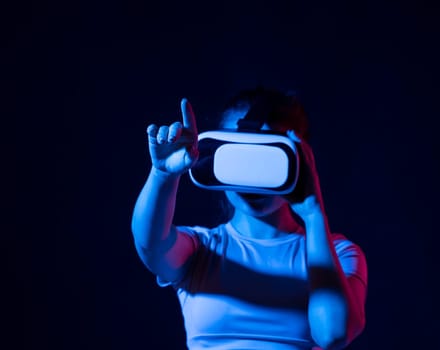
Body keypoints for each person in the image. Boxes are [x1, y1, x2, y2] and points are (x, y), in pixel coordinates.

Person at [131, 87, 368, 350]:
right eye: (238, 156)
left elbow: (333, 334)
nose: (252, 179)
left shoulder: (339, 254)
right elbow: (151, 245)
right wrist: (163, 175)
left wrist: (314, 215)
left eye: (267, 156)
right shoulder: (202, 250)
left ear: (300, 159)